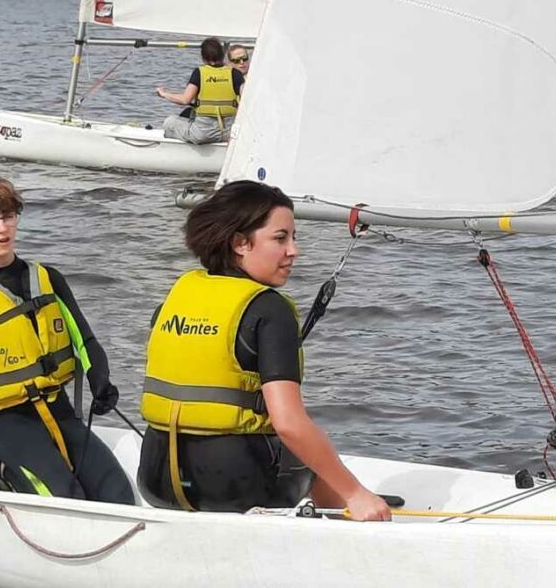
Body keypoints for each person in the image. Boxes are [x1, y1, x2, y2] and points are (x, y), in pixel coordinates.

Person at [136, 180, 391, 521]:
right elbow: (288, 424)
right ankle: (351, 503)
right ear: (240, 243)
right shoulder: (270, 310)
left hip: (157, 482)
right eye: (280, 238)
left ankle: (344, 501)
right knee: (302, 432)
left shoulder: (178, 296)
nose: (293, 251)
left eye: (294, 237)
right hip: (235, 492)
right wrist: (355, 492)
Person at [0, 171, 134, 504]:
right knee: (65, 498)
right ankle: (2, 477)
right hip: (9, 422)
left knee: (118, 494)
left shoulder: (48, 278)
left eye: (8, 216)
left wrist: (101, 382)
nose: (3, 228)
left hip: (60, 410)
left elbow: (86, 341)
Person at [155, 37, 244, 144]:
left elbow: (185, 100)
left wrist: (164, 94)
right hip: (228, 134)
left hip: (202, 134)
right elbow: (247, 101)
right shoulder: (235, 73)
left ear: (203, 57)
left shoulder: (199, 73)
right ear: (223, 54)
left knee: (169, 122)